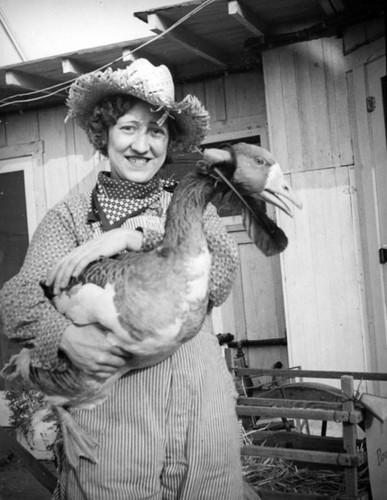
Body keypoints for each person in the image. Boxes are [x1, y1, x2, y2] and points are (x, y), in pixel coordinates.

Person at [0, 58, 244, 500]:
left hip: (203, 426)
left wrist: (137, 234)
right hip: (116, 440)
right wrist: (64, 338)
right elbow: (16, 303)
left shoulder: (193, 206)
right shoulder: (70, 218)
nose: (142, 145)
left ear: (169, 141)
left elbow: (220, 278)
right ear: (103, 134)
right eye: (129, 128)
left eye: (157, 130)